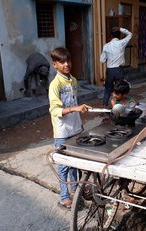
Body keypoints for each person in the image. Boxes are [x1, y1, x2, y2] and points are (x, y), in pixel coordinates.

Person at [49, 47, 92, 209]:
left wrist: (78, 114)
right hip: (62, 132)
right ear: (55, 64)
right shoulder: (55, 84)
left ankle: (74, 191)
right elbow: (55, 111)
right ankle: (64, 197)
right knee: (63, 166)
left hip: (75, 129)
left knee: (74, 163)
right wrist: (75, 109)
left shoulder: (73, 80)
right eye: (62, 62)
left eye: (68, 61)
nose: (66, 64)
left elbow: (74, 103)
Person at [100, 26, 132, 108]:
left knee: (107, 89)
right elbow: (130, 34)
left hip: (110, 71)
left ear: (110, 36)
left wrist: (109, 58)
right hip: (119, 70)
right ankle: (119, 106)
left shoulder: (106, 46)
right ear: (120, 36)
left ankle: (105, 106)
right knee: (120, 89)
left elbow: (102, 60)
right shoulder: (122, 43)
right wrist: (120, 29)